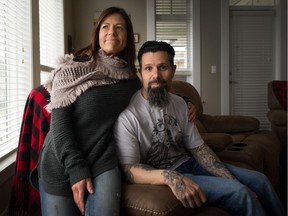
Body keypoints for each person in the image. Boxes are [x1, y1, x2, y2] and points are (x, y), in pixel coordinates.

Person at [30, 7, 196, 216]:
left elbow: (154, 92)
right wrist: (76, 169)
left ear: (127, 36)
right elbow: (60, 128)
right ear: (97, 32)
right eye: (105, 27)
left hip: (103, 158)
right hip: (63, 157)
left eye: (119, 27)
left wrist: (185, 101)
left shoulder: (130, 79)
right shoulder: (71, 69)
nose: (111, 32)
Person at [113, 40, 285, 216]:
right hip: (165, 173)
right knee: (241, 193)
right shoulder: (129, 116)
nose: (155, 75)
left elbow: (199, 148)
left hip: (189, 163)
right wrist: (170, 177)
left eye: (162, 67)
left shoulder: (180, 103)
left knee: (260, 180)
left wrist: (230, 178)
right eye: (148, 68)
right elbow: (128, 170)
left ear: (173, 70)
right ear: (140, 72)